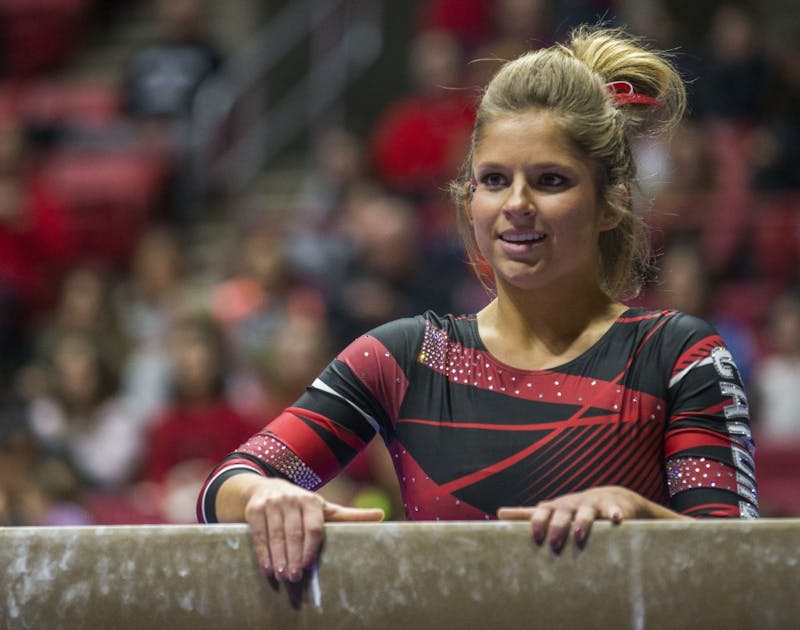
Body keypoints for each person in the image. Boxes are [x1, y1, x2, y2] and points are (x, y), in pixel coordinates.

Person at [197, 26, 759, 585]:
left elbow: (742, 569)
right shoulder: (407, 358)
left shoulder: (677, 357)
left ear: (609, 202)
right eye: (494, 179)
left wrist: (639, 516)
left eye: (550, 180)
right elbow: (226, 485)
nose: (517, 204)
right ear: (470, 200)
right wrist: (265, 495)